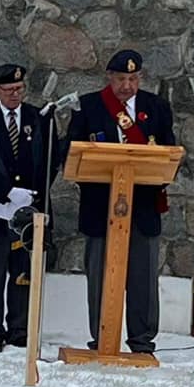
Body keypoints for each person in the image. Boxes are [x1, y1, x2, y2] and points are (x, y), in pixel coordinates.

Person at [67, 48, 176, 355]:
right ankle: (102, 339)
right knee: (100, 277)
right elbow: (72, 152)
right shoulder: (88, 106)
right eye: (120, 79)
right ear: (109, 77)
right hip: (100, 206)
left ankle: (142, 341)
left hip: (143, 207)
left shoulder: (156, 107)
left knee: (143, 279)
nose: (127, 86)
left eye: (133, 79)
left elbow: (168, 152)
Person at [0, 62, 59, 353]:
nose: (15, 94)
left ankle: (19, 329)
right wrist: (7, 192)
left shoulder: (38, 118)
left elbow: (51, 160)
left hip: (29, 209)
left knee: (23, 272)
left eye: (19, 88)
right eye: (8, 90)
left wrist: (33, 195)